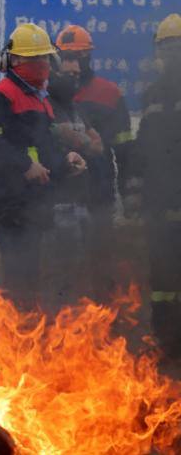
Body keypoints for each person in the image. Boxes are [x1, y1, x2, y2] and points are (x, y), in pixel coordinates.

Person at [0, 23, 87, 309]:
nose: (45, 66)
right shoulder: (1, 94)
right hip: (7, 205)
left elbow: (43, 153)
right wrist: (24, 165)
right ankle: (13, 338)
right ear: (18, 62)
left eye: (46, 58)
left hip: (31, 206)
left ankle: (23, 336)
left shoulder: (40, 100)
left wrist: (64, 162)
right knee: (20, 280)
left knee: (29, 280)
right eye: (38, 59)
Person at [55, 24, 134, 297]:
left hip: (98, 195)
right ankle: (60, 329)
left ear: (89, 57)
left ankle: (103, 327)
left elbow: (124, 150)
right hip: (59, 197)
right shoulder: (46, 94)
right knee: (61, 271)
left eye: (78, 57)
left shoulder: (108, 93)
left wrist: (130, 193)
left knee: (101, 265)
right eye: (65, 57)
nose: (72, 64)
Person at [129, 13, 181, 360]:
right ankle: (166, 342)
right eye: (168, 47)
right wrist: (134, 189)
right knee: (161, 281)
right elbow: (142, 146)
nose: (172, 53)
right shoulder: (151, 95)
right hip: (160, 206)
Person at [42, 54, 103, 311]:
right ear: (55, 75)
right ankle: (55, 331)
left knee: (81, 273)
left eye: (77, 76)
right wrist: (79, 139)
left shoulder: (75, 110)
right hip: (58, 205)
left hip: (82, 202)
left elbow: (97, 146)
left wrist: (78, 139)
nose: (74, 81)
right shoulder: (47, 106)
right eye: (69, 75)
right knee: (59, 275)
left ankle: (75, 332)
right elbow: (72, 138)